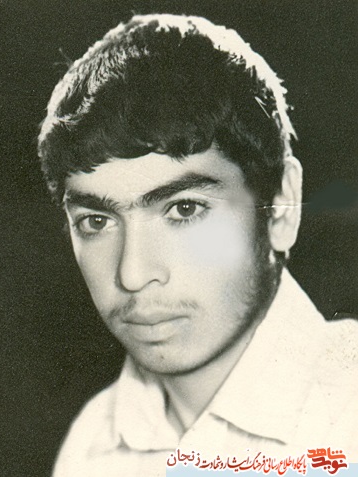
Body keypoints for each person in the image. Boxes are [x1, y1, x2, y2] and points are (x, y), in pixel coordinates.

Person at [38, 14, 358, 477]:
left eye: (184, 209)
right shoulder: (93, 446)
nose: (133, 274)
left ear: (282, 206)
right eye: (97, 221)